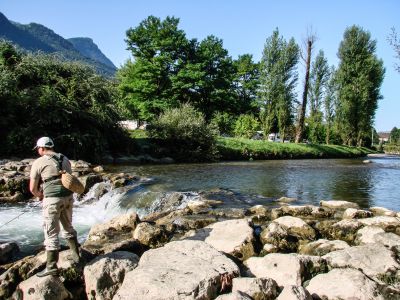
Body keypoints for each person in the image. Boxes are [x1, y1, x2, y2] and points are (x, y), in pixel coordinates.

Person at [29, 137, 81, 277]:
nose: (38, 151)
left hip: (52, 200)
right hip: (68, 198)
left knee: (51, 233)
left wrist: (41, 196)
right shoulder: (65, 159)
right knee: (68, 227)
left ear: (41, 148)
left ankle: (51, 267)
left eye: (38, 149)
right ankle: (77, 257)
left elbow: (33, 189)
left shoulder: (39, 162)